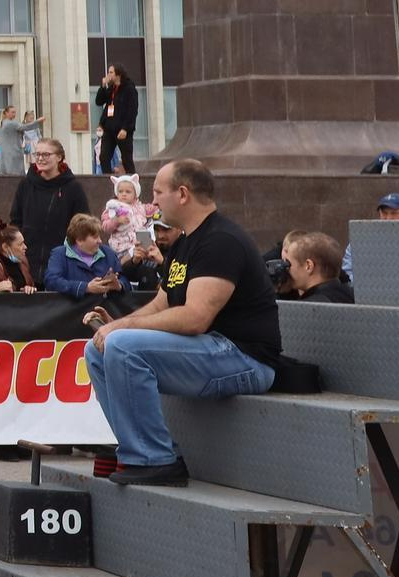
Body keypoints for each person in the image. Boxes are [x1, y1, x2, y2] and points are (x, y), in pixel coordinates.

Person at [86, 160, 282, 486]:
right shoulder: (184, 242)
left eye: (157, 192)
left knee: (121, 345)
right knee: (98, 350)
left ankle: (155, 460)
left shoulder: (221, 241)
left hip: (244, 358)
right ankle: (136, 449)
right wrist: (119, 324)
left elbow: (195, 318)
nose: (152, 201)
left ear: (182, 194)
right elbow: (164, 302)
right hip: (210, 351)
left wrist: (123, 331)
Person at [9, 137, 90, 281]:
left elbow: (83, 223)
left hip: (61, 262)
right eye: (37, 154)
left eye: (46, 154)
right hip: (28, 260)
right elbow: (15, 220)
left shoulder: (73, 187)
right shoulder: (26, 185)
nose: (40, 159)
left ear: (59, 157)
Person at [43, 213, 127, 304]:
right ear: (79, 240)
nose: (100, 241)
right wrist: (86, 287)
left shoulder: (108, 253)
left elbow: (124, 279)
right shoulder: (59, 254)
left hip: (105, 313)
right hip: (72, 314)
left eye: (99, 236)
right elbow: (51, 281)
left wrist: (119, 285)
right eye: (95, 237)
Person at [284, 232, 356, 304]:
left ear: (308, 266)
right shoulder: (354, 296)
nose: (285, 269)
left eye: (288, 264)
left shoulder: (308, 307)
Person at [95, 66, 139, 175]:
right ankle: (109, 181)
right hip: (109, 128)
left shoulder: (129, 88)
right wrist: (103, 86)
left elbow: (132, 110)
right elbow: (99, 101)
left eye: (111, 72)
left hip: (122, 130)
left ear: (118, 74)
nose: (108, 75)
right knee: (103, 157)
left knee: (126, 159)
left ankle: (133, 181)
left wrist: (125, 128)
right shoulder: (112, 88)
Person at [101, 174, 154, 263]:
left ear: (136, 194)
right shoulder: (114, 207)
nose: (124, 194)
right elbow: (105, 227)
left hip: (139, 244)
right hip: (121, 247)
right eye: (120, 191)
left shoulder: (140, 207)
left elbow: (152, 209)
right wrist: (116, 221)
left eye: (128, 192)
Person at [0, 108, 31, 178]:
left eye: (15, 112)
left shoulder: (4, 123)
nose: (14, 114)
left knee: (7, 173)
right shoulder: (10, 123)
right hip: (13, 152)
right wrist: (38, 121)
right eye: (12, 112)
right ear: (7, 113)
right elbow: (26, 127)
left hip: (8, 152)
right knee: (15, 174)